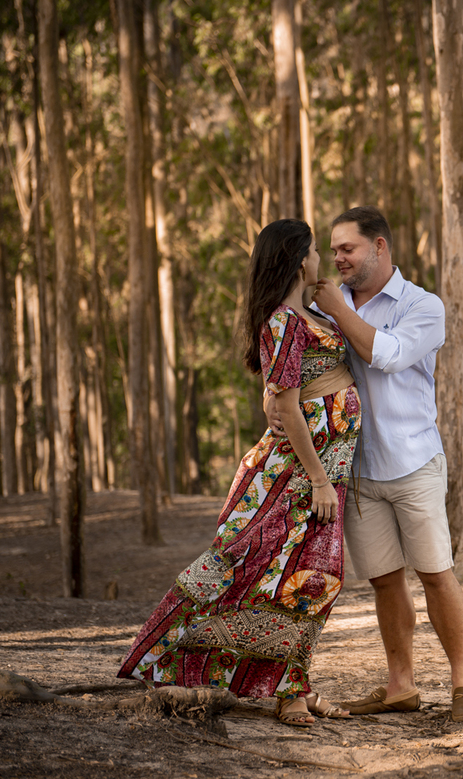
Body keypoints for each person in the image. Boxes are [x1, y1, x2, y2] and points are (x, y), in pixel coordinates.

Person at [118, 219, 361, 728]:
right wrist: (318, 478)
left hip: (323, 468)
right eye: (316, 251)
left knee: (311, 578)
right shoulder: (282, 322)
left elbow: (281, 390)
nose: (322, 260)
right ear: (299, 261)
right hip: (293, 475)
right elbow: (289, 408)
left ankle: (292, 684)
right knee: (250, 569)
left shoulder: (307, 314)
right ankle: (176, 659)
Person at [269, 205, 463, 722]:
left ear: (380, 247)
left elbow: (383, 353)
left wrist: (338, 309)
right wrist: (275, 402)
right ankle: (400, 686)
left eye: (348, 248)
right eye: (334, 249)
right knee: (385, 581)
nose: (337, 258)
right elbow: (293, 353)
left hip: (413, 463)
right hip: (355, 471)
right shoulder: (326, 302)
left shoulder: (422, 306)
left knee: (436, 574)